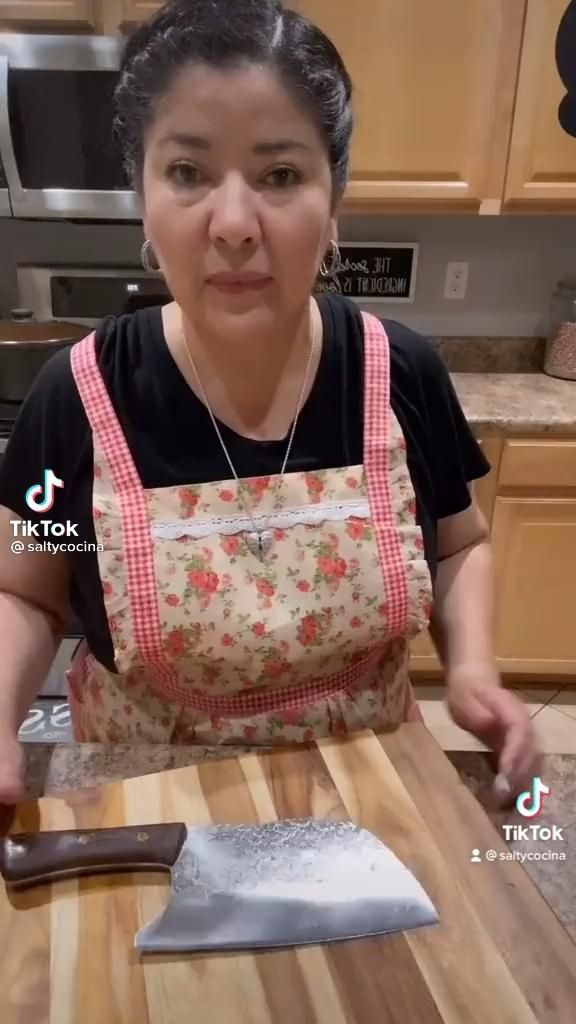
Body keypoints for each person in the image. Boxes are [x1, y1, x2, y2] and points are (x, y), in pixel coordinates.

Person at [0, 0, 539, 804]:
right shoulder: (74, 399)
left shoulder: (401, 375)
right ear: (142, 192)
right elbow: (24, 592)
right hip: (150, 808)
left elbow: (460, 545)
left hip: (373, 805)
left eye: (280, 175)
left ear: (335, 197)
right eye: (187, 172)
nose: (234, 223)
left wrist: (470, 670)